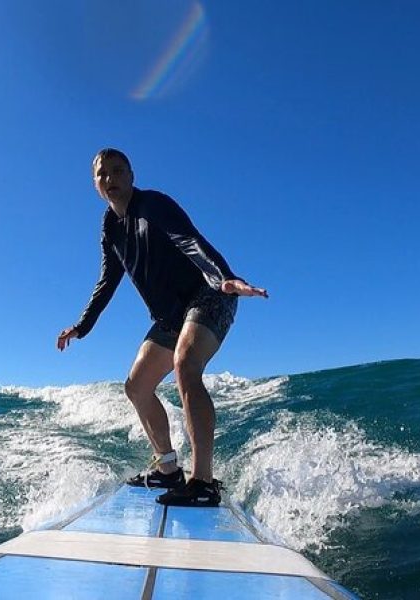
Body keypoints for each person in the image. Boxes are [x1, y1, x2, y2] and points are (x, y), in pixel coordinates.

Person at [57, 148, 268, 507]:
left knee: (186, 365)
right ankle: (167, 468)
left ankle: (202, 481)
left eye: (118, 171)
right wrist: (82, 325)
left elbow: (190, 241)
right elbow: (107, 279)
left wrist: (224, 278)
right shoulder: (109, 227)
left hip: (208, 293)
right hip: (171, 315)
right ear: (94, 183)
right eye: (102, 174)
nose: (110, 179)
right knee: (137, 386)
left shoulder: (153, 205)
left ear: (131, 175)